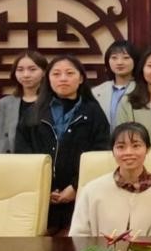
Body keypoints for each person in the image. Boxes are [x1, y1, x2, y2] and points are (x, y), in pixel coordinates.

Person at [15, 55, 110, 232]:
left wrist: (75, 186)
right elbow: (22, 153)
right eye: (56, 74)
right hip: (40, 197)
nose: (63, 78)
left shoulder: (94, 112)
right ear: (48, 78)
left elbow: (100, 153)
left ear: (81, 78)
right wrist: (44, 188)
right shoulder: (33, 112)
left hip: (81, 196)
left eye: (69, 73)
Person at [69, 122, 151, 237]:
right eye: (121, 147)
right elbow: (78, 236)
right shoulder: (91, 190)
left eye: (136, 146)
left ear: (147, 149)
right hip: (99, 249)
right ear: (113, 151)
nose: (128, 152)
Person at [0, 50, 47, 153]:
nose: (26, 75)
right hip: (12, 161)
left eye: (32, 69)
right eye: (20, 70)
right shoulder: (4, 104)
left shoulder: (53, 102)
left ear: (43, 72)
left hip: (44, 160)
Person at [92, 39, 139, 129]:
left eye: (126, 58)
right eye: (114, 58)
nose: (119, 62)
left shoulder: (142, 90)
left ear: (135, 61)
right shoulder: (96, 92)